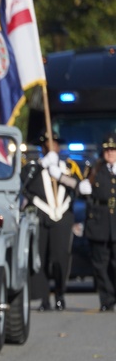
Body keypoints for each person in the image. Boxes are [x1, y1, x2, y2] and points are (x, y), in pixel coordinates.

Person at [21, 135, 79, 311]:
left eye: (53, 144)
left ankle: (60, 294)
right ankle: (44, 298)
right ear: (43, 149)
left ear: (58, 147)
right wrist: (41, 165)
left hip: (62, 216)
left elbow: (79, 186)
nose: (51, 148)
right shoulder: (32, 166)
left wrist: (60, 176)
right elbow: (23, 184)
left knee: (60, 258)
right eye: (47, 145)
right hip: (40, 214)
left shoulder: (69, 166)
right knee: (41, 258)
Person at [78, 133, 116, 312]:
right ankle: (107, 299)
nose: (110, 153)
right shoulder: (95, 169)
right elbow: (81, 191)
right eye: (107, 149)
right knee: (101, 263)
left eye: (113, 149)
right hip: (100, 221)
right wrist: (83, 188)